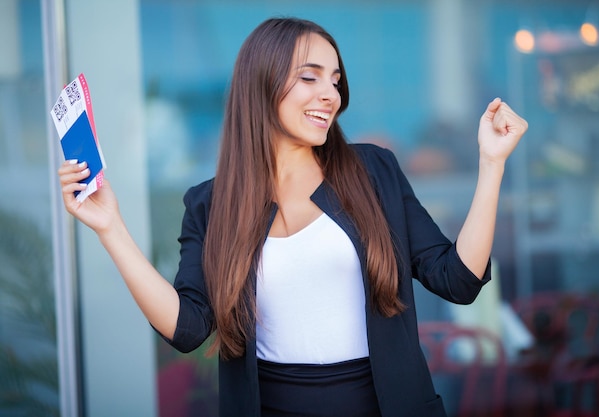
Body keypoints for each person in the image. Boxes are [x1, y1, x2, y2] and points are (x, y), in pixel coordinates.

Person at [58, 17, 527, 417]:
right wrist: (111, 228)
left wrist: (491, 166)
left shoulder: (373, 171)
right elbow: (187, 328)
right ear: (262, 82)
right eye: (311, 77)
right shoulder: (211, 204)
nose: (331, 94)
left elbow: (458, 280)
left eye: (336, 80)